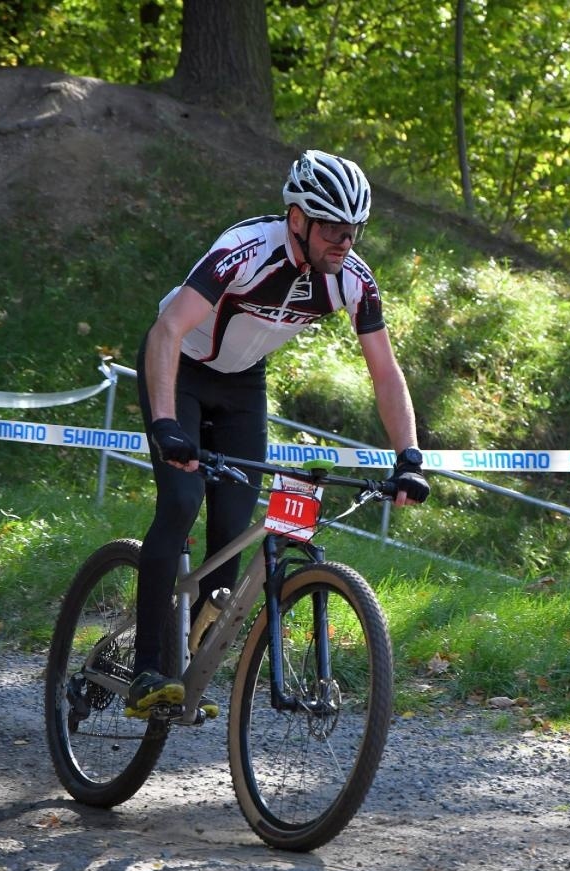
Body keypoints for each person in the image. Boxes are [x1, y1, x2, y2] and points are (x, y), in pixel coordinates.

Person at [126, 149, 430, 716]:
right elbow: (168, 329)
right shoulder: (246, 250)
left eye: (354, 230)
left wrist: (408, 456)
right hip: (181, 369)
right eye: (334, 228)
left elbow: (385, 371)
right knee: (182, 500)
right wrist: (166, 425)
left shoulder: (352, 281)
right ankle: (147, 667)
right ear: (298, 220)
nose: (345, 241)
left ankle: (189, 661)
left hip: (241, 387)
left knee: (233, 526)